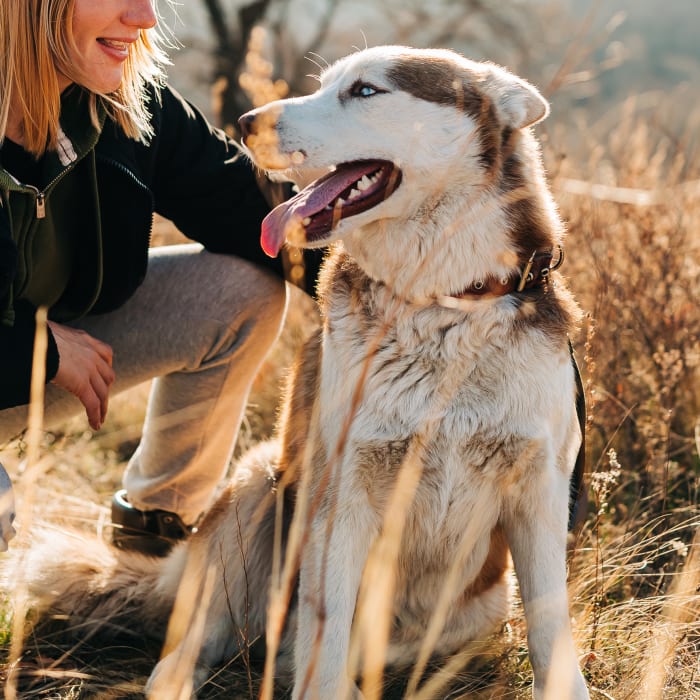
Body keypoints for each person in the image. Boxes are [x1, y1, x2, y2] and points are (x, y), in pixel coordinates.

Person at [0, 0, 320, 555]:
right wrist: (38, 351)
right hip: (25, 359)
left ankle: (153, 537)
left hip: (43, 366)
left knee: (238, 293)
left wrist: (410, 287)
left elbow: (253, 213)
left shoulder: (124, 105)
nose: (145, 17)